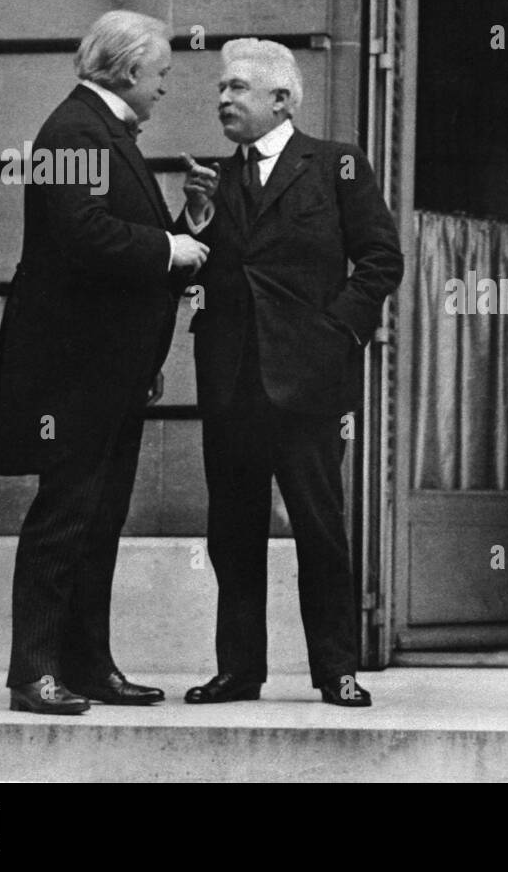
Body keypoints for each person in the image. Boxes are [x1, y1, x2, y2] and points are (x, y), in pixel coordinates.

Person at [0, 10, 210, 714]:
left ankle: (84, 665)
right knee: (67, 515)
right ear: (129, 70)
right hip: (73, 373)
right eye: (162, 73)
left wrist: (187, 223)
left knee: (99, 517)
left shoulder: (96, 131)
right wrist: (173, 250)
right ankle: (35, 673)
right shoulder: (74, 129)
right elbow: (81, 235)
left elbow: (115, 242)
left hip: (105, 369)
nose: (166, 87)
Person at [178, 38, 403, 708]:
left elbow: (380, 259)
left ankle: (336, 669)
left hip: (307, 386)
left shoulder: (336, 165)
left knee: (320, 529)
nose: (223, 98)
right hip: (232, 385)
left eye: (238, 87)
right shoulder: (214, 179)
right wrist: (193, 220)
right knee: (233, 534)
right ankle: (240, 670)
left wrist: (336, 335)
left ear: (282, 99)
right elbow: (193, 265)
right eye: (221, 87)